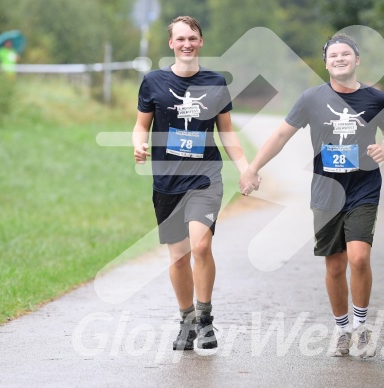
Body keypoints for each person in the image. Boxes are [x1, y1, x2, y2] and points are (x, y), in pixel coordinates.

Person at [240, 33, 384, 358]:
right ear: (326, 63)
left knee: (359, 257)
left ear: (356, 61)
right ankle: (342, 329)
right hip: (326, 192)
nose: (339, 59)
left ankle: (361, 326)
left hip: (364, 187)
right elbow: (282, 134)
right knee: (335, 264)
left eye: (346, 54)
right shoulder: (311, 98)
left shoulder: (374, 99)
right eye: (333, 56)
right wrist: (253, 167)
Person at [132, 15, 249, 351]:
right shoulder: (152, 81)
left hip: (205, 177)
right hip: (166, 181)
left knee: (201, 247)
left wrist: (244, 167)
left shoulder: (215, 82)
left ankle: (206, 317)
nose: (186, 44)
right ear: (171, 44)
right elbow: (141, 125)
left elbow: (226, 130)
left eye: (192, 38)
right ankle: (186, 320)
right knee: (179, 257)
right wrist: (138, 144)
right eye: (180, 39)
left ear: (201, 42)